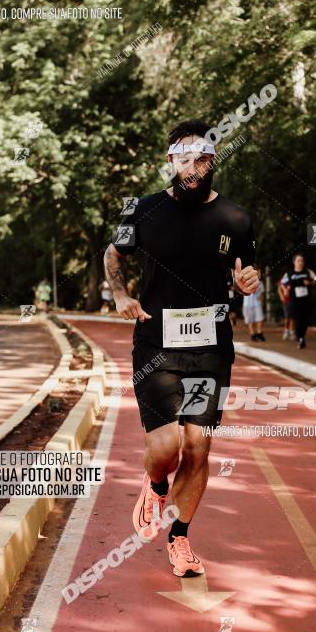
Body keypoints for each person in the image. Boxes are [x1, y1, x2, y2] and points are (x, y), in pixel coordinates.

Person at [104, 119, 259, 578]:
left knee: (198, 448)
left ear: (213, 160)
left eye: (203, 157)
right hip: (156, 343)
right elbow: (113, 254)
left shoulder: (235, 218)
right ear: (171, 161)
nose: (194, 166)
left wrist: (248, 281)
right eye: (184, 157)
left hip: (210, 348)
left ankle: (180, 538)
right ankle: (155, 485)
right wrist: (119, 294)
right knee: (167, 447)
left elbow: (246, 273)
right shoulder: (145, 211)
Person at [281, 254, 316, 348]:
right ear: (294, 262)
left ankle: (301, 337)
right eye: (298, 260)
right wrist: (285, 290)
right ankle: (300, 338)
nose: (300, 262)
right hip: (294, 301)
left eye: (302, 260)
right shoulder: (289, 273)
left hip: (306, 300)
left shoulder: (308, 272)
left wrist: (310, 282)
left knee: (305, 320)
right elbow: (282, 283)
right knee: (297, 319)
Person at [242, 266, 266, 341]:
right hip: (247, 304)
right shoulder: (246, 281)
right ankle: (253, 334)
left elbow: (262, 294)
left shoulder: (260, 283)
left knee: (260, 319)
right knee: (250, 320)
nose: (258, 273)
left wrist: (262, 303)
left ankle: (260, 333)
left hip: (257, 303)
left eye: (259, 272)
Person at [277, 274, 295, 340]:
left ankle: (291, 332)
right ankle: (286, 331)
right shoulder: (286, 276)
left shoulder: (296, 275)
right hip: (286, 300)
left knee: (293, 317)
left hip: (294, 300)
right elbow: (279, 286)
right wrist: (281, 296)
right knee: (287, 317)